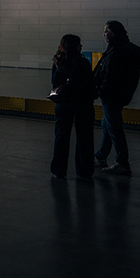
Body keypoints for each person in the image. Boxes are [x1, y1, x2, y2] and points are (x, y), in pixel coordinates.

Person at [94, 20, 140, 176]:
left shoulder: (117, 52)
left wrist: (99, 90)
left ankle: (122, 162)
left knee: (114, 128)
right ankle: (101, 156)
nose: (104, 34)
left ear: (112, 34)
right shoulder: (125, 49)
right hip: (120, 95)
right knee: (107, 125)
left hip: (111, 95)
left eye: (106, 32)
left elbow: (109, 75)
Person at [48, 34, 98, 180]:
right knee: (85, 138)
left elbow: (54, 82)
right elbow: (89, 83)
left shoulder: (58, 62)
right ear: (76, 46)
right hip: (83, 104)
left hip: (64, 103)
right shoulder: (82, 62)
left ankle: (58, 169)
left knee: (61, 137)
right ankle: (84, 170)